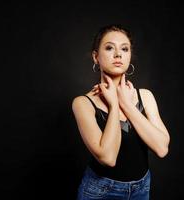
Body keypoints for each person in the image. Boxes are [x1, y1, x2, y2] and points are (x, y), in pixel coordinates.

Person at [72, 24, 170, 200]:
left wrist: (126, 103)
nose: (118, 54)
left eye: (124, 49)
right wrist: (114, 104)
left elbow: (161, 148)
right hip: (100, 191)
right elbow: (108, 158)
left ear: (130, 56)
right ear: (96, 57)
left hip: (141, 188)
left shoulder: (145, 96)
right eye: (109, 48)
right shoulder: (83, 103)